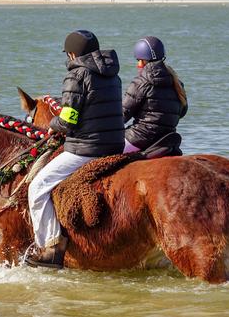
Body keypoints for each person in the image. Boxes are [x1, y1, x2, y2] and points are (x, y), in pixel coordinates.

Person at [26, 30, 125, 269]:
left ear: (72, 53)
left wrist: (52, 125)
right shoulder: (113, 74)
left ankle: (50, 247)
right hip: (115, 145)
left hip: (86, 149)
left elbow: (68, 119)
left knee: (37, 187)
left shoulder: (76, 75)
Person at [123, 36, 188, 153]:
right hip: (166, 139)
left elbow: (122, 115)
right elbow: (182, 112)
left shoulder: (141, 82)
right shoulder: (177, 82)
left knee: (99, 156)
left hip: (139, 138)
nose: (138, 64)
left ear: (143, 61)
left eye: (138, 59)